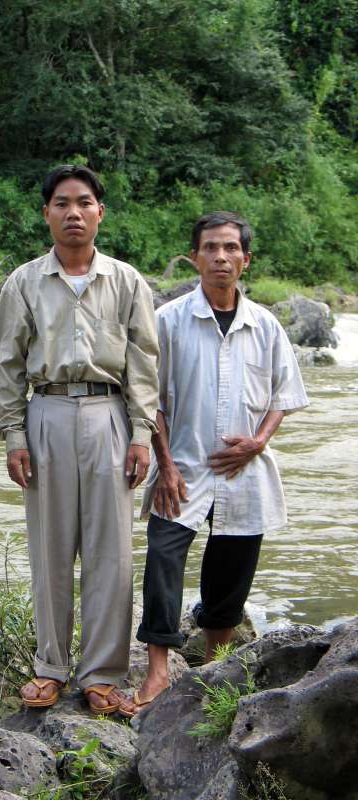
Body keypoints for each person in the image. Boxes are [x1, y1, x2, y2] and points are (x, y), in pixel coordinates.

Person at [0, 165, 159, 715]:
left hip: (110, 413)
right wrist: (14, 434)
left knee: (112, 551)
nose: (73, 213)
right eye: (61, 203)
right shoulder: (24, 282)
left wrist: (141, 433)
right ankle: (50, 667)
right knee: (50, 546)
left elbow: (143, 363)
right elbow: (7, 364)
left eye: (84, 203)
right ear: (46, 213)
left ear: (100, 212)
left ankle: (104, 672)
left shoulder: (127, 281)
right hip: (47, 412)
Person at [128, 211, 309, 716]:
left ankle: (217, 663)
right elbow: (150, 400)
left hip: (244, 469)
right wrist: (164, 466)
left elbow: (284, 394)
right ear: (195, 257)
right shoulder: (168, 321)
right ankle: (158, 668)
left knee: (233, 567)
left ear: (245, 260)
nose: (221, 257)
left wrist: (258, 441)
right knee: (164, 559)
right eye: (210, 248)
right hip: (181, 464)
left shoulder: (266, 325)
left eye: (231, 248)